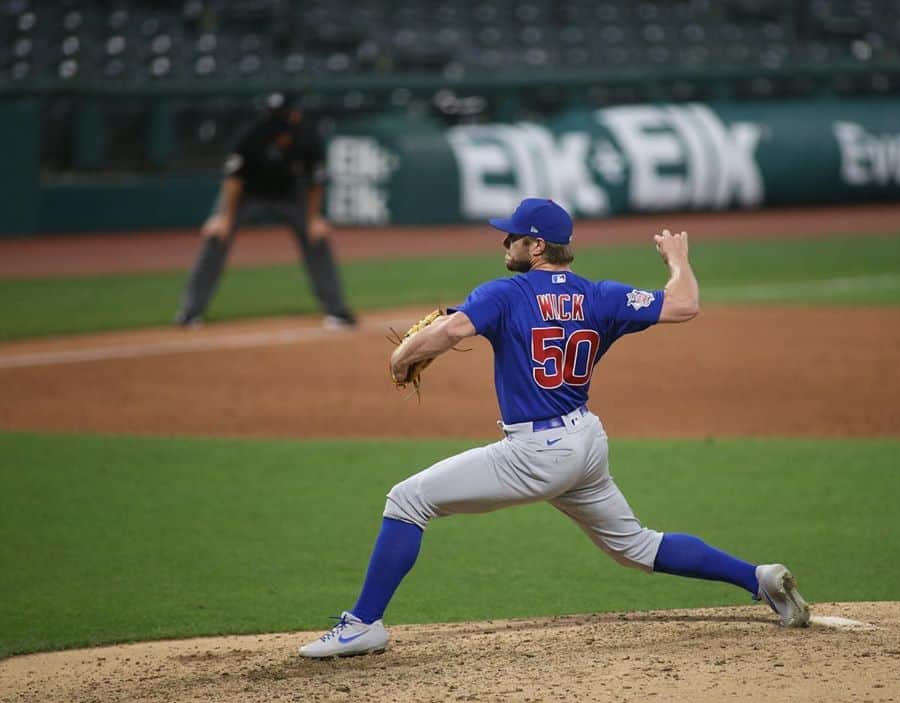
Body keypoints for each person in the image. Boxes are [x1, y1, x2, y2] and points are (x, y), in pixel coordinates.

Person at [298, 198, 810, 659]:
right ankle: (758, 579)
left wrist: (401, 356)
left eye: (513, 236)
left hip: (536, 453)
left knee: (407, 500)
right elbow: (685, 305)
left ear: (536, 245)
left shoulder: (506, 292)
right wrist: (677, 259)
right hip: (585, 441)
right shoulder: (601, 294)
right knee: (635, 546)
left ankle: (363, 624)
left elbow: (452, 329)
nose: (505, 243)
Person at [175, 92, 355, 329]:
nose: (277, 120)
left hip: (291, 196)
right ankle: (190, 312)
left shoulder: (307, 136)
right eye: (273, 115)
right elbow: (234, 179)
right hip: (249, 195)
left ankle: (337, 311)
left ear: (295, 114)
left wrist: (314, 219)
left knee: (318, 239)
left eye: (282, 114)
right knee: (216, 237)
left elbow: (315, 181)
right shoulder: (253, 134)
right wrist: (224, 217)